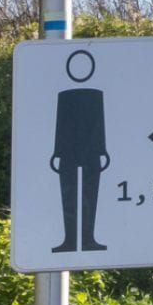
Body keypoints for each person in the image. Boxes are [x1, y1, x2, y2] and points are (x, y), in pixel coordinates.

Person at [50, 74, 109, 254]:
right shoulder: (64, 99)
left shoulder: (96, 98)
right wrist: (57, 152)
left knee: (89, 196)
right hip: (69, 153)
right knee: (69, 196)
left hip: (91, 152)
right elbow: (60, 126)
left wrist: (102, 150)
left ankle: (88, 239)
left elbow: (100, 126)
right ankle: (70, 240)